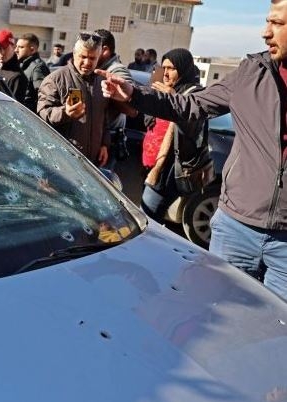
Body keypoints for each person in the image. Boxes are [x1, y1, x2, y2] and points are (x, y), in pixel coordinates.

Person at [99, 0, 287, 296]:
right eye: (267, 21)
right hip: (235, 228)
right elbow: (192, 105)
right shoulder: (253, 71)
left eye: (277, 23)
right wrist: (135, 95)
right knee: (217, 312)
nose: (265, 32)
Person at [138, 49, 206, 223]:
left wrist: (174, 99)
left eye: (171, 68)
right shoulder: (165, 86)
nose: (166, 74)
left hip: (166, 169)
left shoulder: (192, 94)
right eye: (164, 68)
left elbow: (192, 124)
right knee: (149, 217)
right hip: (150, 163)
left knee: (145, 221)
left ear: (183, 69)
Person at [37, 32, 110, 167]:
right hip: (62, 163)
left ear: (99, 58)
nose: (87, 63)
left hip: (92, 165)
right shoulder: (55, 79)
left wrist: (104, 144)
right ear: (74, 54)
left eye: (92, 58)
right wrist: (65, 113)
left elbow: (103, 118)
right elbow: (43, 113)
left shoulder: (102, 82)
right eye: (83, 57)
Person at [94, 28, 136, 169]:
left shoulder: (116, 70)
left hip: (108, 140)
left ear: (105, 50)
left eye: (94, 48)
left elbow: (132, 109)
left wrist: (110, 94)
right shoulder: (98, 68)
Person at [0, 29, 28, 103]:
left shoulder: (18, 77)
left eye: (5, 47)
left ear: (13, 47)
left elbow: (15, 109)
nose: (1, 52)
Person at [15, 33, 50, 112]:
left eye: (21, 47)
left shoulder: (38, 67)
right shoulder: (21, 65)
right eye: (16, 46)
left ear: (32, 50)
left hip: (28, 115)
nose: (16, 50)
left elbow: (44, 96)